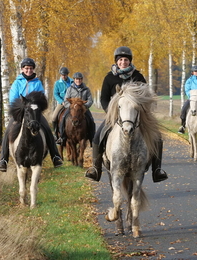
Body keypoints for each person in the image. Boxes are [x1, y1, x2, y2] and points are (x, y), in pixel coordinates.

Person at [85, 46, 168, 183]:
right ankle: (96, 168)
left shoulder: (138, 77)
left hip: (136, 116)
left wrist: (142, 111)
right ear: (116, 61)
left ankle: (157, 170)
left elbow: (145, 96)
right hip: (115, 116)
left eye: (126, 60)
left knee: (157, 137)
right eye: (121, 60)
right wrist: (111, 112)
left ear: (129, 61)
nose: (123, 62)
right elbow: (104, 98)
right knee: (97, 136)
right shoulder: (109, 78)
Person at [0, 57, 63, 171]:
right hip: (20, 112)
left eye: (31, 68)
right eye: (26, 68)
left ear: (33, 69)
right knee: (8, 130)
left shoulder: (37, 83)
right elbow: (13, 99)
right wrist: (22, 106)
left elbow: (41, 97)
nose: (29, 70)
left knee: (47, 128)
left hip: (34, 112)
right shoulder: (17, 83)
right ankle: (3, 159)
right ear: (22, 69)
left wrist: (35, 106)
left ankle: (55, 156)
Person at [56, 72, 96, 145]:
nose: (78, 81)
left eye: (80, 79)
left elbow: (90, 100)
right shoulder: (70, 89)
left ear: (82, 80)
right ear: (74, 80)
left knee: (91, 119)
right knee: (63, 118)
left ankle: (92, 138)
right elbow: (66, 100)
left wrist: (85, 106)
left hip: (83, 108)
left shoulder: (86, 89)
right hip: (72, 108)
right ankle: (62, 137)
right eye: (77, 79)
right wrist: (71, 107)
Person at [51, 66, 72, 137]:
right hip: (62, 103)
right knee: (53, 118)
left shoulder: (72, 82)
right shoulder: (57, 83)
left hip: (71, 103)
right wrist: (61, 101)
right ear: (60, 75)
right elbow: (55, 94)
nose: (63, 76)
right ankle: (56, 134)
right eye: (62, 75)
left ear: (67, 74)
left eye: (65, 75)